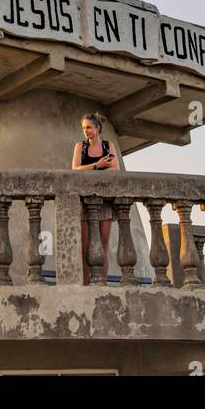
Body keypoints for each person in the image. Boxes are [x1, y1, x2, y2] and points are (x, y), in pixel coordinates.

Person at [72, 113, 118, 284]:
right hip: (85, 202)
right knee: (85, 247)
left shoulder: (108, 146)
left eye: (89, 127)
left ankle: (102, 283)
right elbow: (75, 169)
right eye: (84, 128)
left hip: (104, 201)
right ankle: (85, 284)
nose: (86, 131)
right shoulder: (80, 147)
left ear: (98, 128)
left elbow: (115, 170)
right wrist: (97, 165)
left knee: (102, 247)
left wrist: (89, 169)